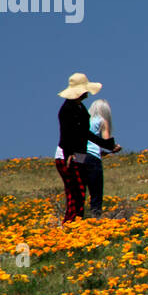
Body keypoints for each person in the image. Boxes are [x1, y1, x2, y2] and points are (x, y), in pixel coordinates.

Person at [56, 72, 119, 223]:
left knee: (79, 192)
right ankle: (71, 226)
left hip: (80, 154)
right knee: (75, 193)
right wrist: (69, 153)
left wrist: (108, 145)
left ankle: (77, 225)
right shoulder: (67, 110)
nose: (87, 93)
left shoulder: (80, 109)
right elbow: (66, 134)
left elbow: (86, 134)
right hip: (68, 155)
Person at [81, 98, 113, 217]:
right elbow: (106, 142)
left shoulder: (84, 120)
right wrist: (115, 148)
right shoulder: (102, 121)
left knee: (79, 191)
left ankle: (77, 220)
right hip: (92, 158)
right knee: (96, 191)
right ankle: (95, 218)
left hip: (79, 156)